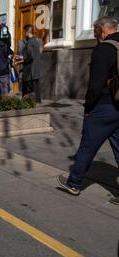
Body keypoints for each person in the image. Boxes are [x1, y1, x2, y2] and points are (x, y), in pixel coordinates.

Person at [57, 16, 119, 206]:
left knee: (88, 145)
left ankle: (74, 182)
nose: (95, 36)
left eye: (95, 32)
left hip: (104, 105)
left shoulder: (105, 48)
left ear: (102, 30)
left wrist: (89, 106)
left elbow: (96, 84)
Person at [21, 25, 42, 103]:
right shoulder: (36, 41)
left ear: (28, 32)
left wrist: (21, 60)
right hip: (35, 71)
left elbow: (30, 57)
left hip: (30, 72)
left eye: (24, 32)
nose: (24, 34)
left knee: (29, 94)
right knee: (36, 94)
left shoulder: (29, 42)